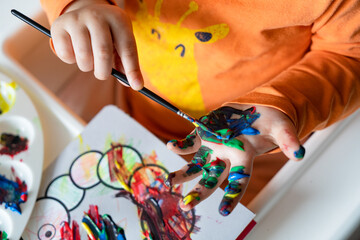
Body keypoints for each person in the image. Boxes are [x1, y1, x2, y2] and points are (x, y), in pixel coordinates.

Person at [40, 0, 360, 215]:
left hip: (248, 149)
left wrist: (283, 103)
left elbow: (350, 54)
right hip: (133, 108)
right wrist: (75, 6)